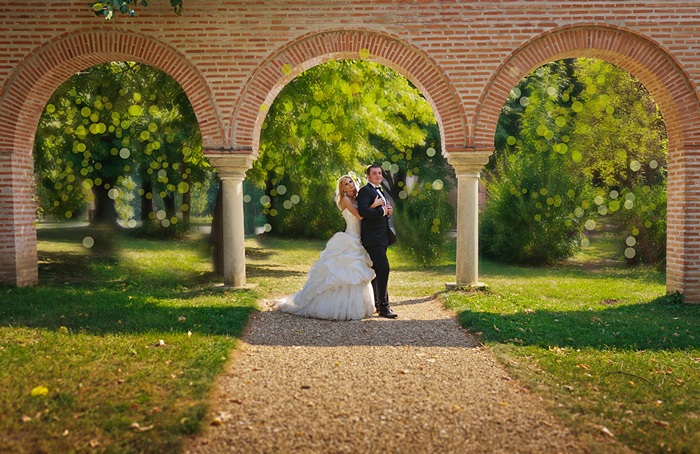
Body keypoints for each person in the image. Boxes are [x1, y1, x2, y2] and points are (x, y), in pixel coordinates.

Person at [276, 175, 385, 320]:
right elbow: (360, 216)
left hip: (361, 238)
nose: (350, 184)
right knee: (346, 272)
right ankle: (337, 308)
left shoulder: (357, 198)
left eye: (351, 181)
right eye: (346, 184)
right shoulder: (345, 200)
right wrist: (375, 205)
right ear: (343, 188)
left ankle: (357, 306)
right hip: (350, 238)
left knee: (358, 273)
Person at [357, 164, 398, 319]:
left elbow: (380, 211)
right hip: (373, 238)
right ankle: (384, 307)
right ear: (368, 176)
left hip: (381, 237)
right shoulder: (365, 191)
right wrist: (382, 211)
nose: (378, 176)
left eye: (380, 173)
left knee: (376, 272)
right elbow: (364, 211)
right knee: (383, 269)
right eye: (374, 173)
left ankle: (376, 303)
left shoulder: (379, 190)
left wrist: (388, 212)